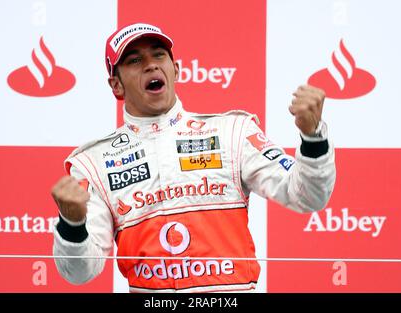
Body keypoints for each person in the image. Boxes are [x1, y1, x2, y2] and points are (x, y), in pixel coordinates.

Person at [51, 23, 336, 293]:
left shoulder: (232, 132)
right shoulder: (94, 163)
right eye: (135, 60)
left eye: (159, 55)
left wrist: (313, 138)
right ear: (116, 86)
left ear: (174, 70)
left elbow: (307, 196)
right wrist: (71, 224)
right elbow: (78, 272)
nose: (151, 64)